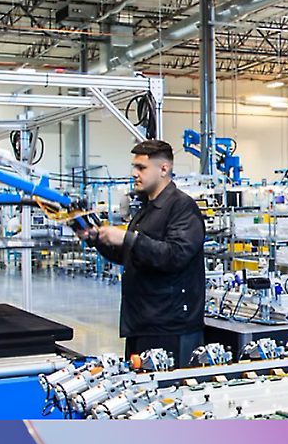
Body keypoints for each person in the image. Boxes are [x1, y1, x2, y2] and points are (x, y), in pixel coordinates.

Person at [76, 140, 206, 367]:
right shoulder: (146, 209)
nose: (134, 173)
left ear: (163, 169)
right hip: (141, 322)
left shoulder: (182, 207)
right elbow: (129, 255)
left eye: (141, 167)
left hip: (170, 327)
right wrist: (95, 238)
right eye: (134, 167)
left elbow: (175, 255)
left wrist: (126, 237)